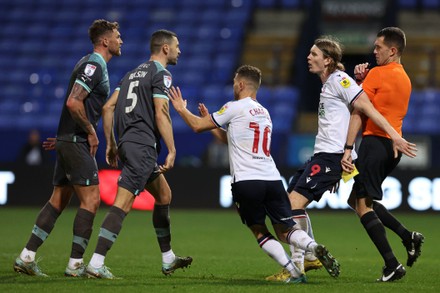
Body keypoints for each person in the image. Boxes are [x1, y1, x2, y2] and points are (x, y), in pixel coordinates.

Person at [168, 64, 341, 284]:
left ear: (240, 84)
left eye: (233, 82)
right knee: (285, 229)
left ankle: (294, 272)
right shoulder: (264, 112)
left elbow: (196, 126)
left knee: (259, 230)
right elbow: (230, 141)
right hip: (272, 179)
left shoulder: (234, 106)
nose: (233, 86)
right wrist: (214, 125)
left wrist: (181, 109)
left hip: (247, 181)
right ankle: (313, 247)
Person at [266, 35, 417, 282]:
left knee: (292, 205)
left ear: (327, 60)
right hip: (324, 155)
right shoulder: (330, 84)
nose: (308, 57)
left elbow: (367, 108)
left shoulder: (339, 79)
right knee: (300, 200)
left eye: (314, 54)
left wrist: (393, 136)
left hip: (332, 157)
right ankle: (311, 258)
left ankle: (296, 268)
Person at [13, 19, 122, 277]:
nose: (121, 40)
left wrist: (63, 137)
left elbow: (72, 104)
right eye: (118, 36)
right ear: (105, 41)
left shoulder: (86, 62)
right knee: (92, 200)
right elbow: (74, 103)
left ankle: (26, 256)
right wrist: (91, 132)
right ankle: (75, 265)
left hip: (68, 140)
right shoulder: (95, 64)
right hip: (77, 142)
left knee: (58, 200)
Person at [85, 29, 192, 279]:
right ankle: (96, 263)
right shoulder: (161, 74)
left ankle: (167, 259)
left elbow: (108, 107)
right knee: (122, 204)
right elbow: (161, 113)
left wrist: (112, 144)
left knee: (164, 195)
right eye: (176, 45)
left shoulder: (131, 74)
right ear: (165, 48)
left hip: (128, 144)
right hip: (142, 147)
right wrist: (173, 149)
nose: (179, 50)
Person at [341, 27, 424, 282]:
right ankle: (407, 236)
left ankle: (392, 265)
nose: (374, 51)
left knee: (363, 206)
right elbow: (380, 104)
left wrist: (347, 148)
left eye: (378, 47)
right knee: (355, 200)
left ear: (393, 50)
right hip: (391, 149)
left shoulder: (377, 74)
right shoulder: (405, 78)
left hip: (374, 144)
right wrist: (362, 82)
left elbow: (358, 111)